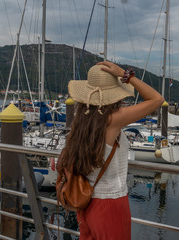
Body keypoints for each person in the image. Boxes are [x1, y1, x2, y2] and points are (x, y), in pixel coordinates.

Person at [58, 61, 164, 239]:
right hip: (110, 203)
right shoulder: (112, 119)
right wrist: (126, 75)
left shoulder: (82, 120)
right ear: (114, 94)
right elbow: (157, 99)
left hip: (85, 202)